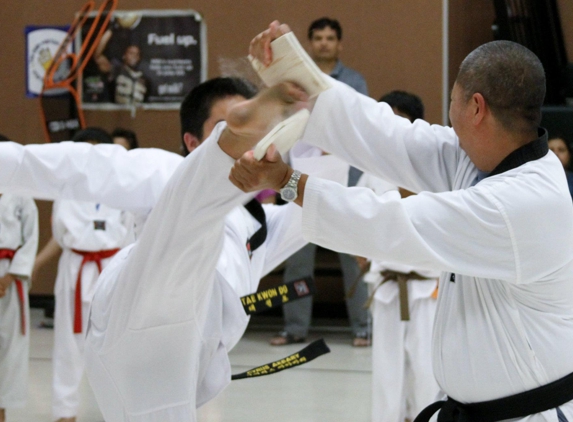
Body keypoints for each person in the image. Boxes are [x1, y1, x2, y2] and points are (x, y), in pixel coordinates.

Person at [232, 24, 573, 421]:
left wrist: (285, 182)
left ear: (476, 108)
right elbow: (389, 136)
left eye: (453, 101)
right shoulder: (485, 161)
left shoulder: (522, 204)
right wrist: (294, 75)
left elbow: (390, 224)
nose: (450, 114)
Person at [0, 79, 346, 421]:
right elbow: (86, 167)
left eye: (257, 135)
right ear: (191, 141)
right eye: (226, 129)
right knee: (194, 210)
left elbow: (322, 206)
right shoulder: (164, 170)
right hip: (142, 300)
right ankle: (218, 156)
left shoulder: (260, 226)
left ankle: (222, 153)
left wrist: (320, 131)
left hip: (184, 352)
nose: (253, 146)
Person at [270, 16, 371, 347]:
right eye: (318, 38)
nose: (324, 43)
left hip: (345, 183)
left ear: (339, 44)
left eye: (330, 38)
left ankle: (363, 327)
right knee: (296, 260)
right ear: (309, 43)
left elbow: (360, 127)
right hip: (300, 179)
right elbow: (283, 124)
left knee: (352, 259)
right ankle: (294, 328)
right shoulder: (294, 81)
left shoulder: (354, 81)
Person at [33, 128, 133, 422]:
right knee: (69, 342)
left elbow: (130, 235)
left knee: (118, 344)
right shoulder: (67, 189)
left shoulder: (124, 188)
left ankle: (120, 410)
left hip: (114, 267)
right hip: (76, 268)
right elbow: (62, 232)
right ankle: (65, 412)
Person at [357, 92, 440, 422]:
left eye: (398, 118)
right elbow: (355, 215)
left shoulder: (435, 167)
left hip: (428, 286)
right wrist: (360, 253)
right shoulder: (371, 169)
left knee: (427, 369)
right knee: (386, 371)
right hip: (387, 285)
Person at [0, 136, 39, 422]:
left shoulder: (22, 195)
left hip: (10, 278)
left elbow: (31, 237)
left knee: (10, 345)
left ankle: (1, 408)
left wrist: (11, 274)